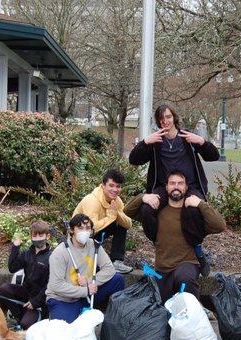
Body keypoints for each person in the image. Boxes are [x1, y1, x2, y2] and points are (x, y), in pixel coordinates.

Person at [128, 104, 219, 276]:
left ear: (174, 118)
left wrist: (201, 142)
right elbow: (134, 160)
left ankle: (198, 250)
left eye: (168, 117)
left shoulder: (187, 138)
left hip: (190, 186)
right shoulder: (155, 142)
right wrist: (145, 142)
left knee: (193, 210)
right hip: (165, 187)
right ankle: (159, 242)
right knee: (147, 209)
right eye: (161, 119)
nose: (165, 121)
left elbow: (213, 155)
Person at [125, 170, 226, 303]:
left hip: (187, 264)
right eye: (172, 183)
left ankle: (194, 309)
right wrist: (143, 197)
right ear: (166, 187)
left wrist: (200, 204)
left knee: (184, 278)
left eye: (180, 183)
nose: (176, 186)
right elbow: (128, 211)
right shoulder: (157, 211)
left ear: (186, 187)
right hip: (162, 269)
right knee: (163, 308)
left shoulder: (193, 213)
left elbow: (220, 225)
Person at [45, 214, 125, 323]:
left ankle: (110, 315)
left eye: (88, 228)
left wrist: (89, 282)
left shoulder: (94, 245)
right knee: (67, 330)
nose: (85, 232)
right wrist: (85, 290)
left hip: (86, 294)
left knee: (118, 280)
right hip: (64, 299)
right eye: (80, 228)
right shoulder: (60, 253)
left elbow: (109, 269)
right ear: (71, 230)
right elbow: (56, 286)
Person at [72, 169, 133, 274]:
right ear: (103, 185)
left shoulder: (117, 201)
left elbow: (128, 224)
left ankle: (117, 261)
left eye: (118, 186)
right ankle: (87, 261)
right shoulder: (92, 200)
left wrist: (117, 214)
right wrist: (111, 217)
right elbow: (89, 229)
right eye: (111, 185)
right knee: (114, 220)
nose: (115, 189)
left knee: (121, 223)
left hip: (97, 235)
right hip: (79, 237)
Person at [0, 220, 52, 330]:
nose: (37, 238)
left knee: (26, 325)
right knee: (4, 289)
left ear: (48, 236)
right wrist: (15, 247)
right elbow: (12, 268)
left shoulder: (52, 257)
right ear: (31, 236)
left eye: (40, 235)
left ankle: (36, 316)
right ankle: (20, 315)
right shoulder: (27, 254)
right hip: (26, 292)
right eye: (34, 235)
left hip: (40, 299)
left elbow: (50, 285)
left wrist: (36, 302)